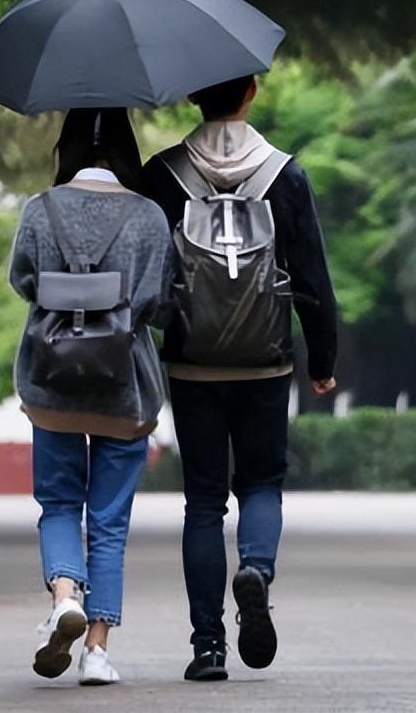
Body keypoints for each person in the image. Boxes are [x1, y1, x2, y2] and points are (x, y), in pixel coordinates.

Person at [140, 75, 339, 680]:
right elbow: (312, 280)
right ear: (251, 91)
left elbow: (146, 273)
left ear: (193, 95)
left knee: (203, 502)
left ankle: (207, 648)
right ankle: (255, 568)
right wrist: (322, 360)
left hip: (193, 361)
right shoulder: (285, 173)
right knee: (260, 483)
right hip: (266, 360)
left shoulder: (163, 174)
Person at [9, 107, 176, 686]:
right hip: (124, 389)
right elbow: (157, 301)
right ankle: (98, 653)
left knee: (58, 505)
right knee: (108, 523)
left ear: (66, 147)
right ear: (126, 153)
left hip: (51, 383)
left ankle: (63, 596)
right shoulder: (150, 217)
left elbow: (23, 283)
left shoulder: (39, 210)